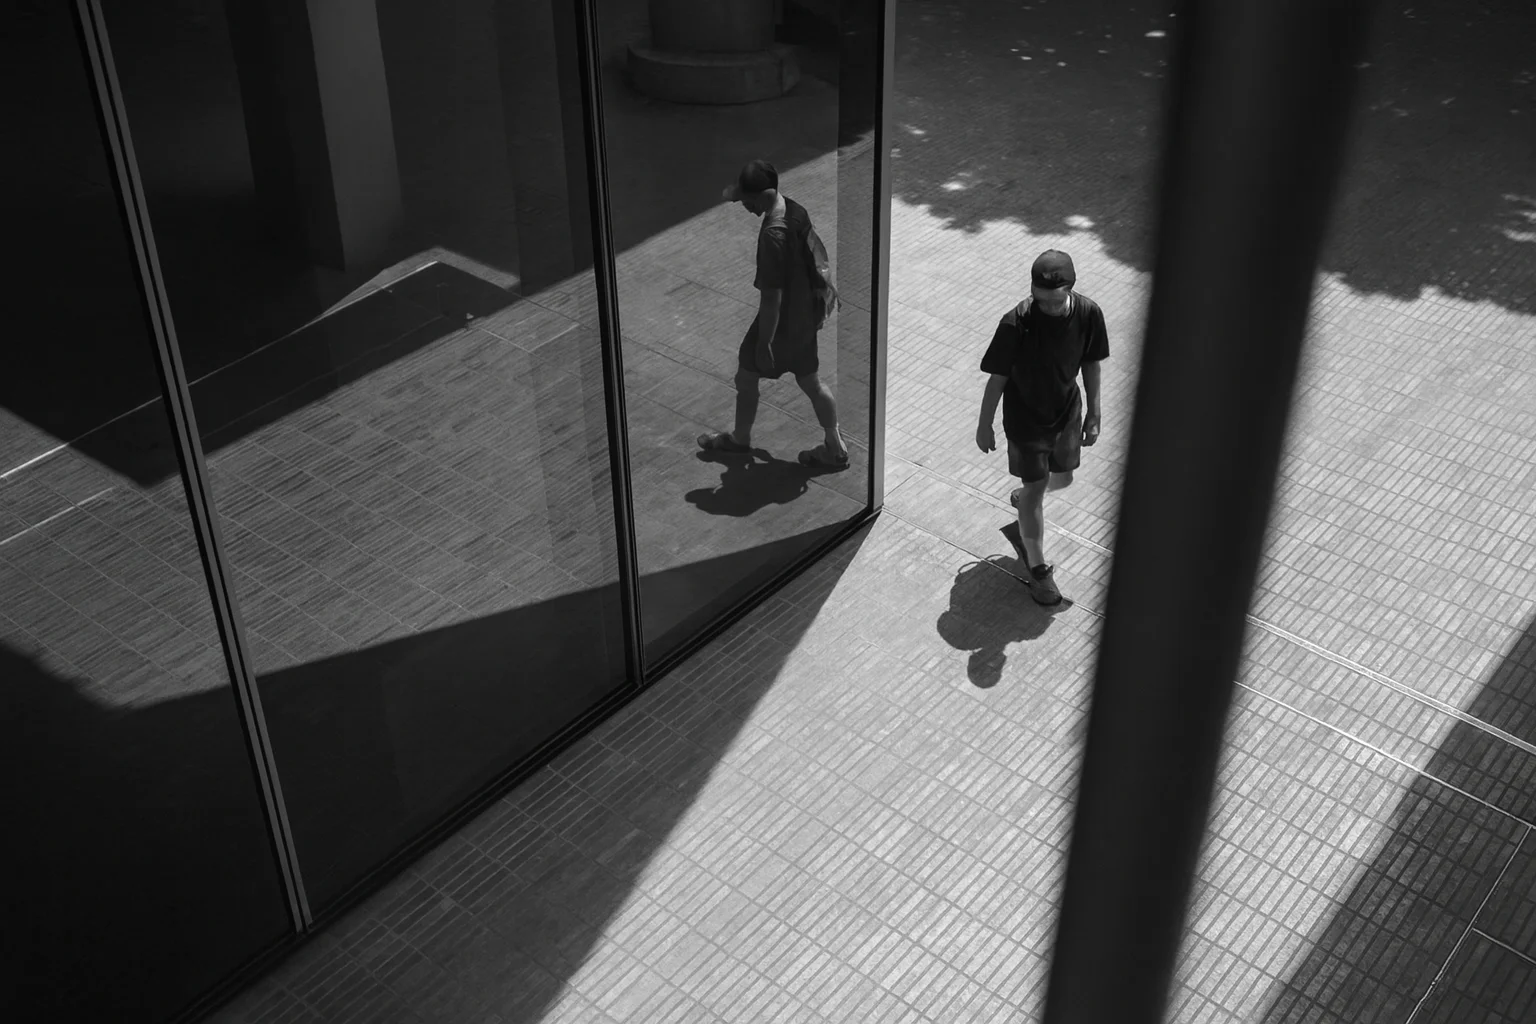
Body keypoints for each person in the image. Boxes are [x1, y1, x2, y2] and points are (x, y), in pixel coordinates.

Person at [697, 159, 849, 470]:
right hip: (805, 317)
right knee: (811, 381)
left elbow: (771, 298)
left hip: (781, 324)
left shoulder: (773, 235)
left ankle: (740, 441)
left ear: (762, 195)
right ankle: (835, 445)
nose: (745, 206)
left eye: (746, 200)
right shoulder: (795, 210)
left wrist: (764, 343)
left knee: (746, 376)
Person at [976, 250, 1109, 605]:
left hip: (1066, 412)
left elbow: (1092, 364)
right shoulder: (1015, 322)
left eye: (1055, 301)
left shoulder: (1088, 313)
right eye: (1041, 300)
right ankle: (1038, 571)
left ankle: (1025, 502)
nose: (1048, 307)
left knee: (1062, 480)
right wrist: (984, 423)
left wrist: (1094, 414)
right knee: (1036, 487)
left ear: (1071, 289)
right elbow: (997, 378)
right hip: (1025, 420)